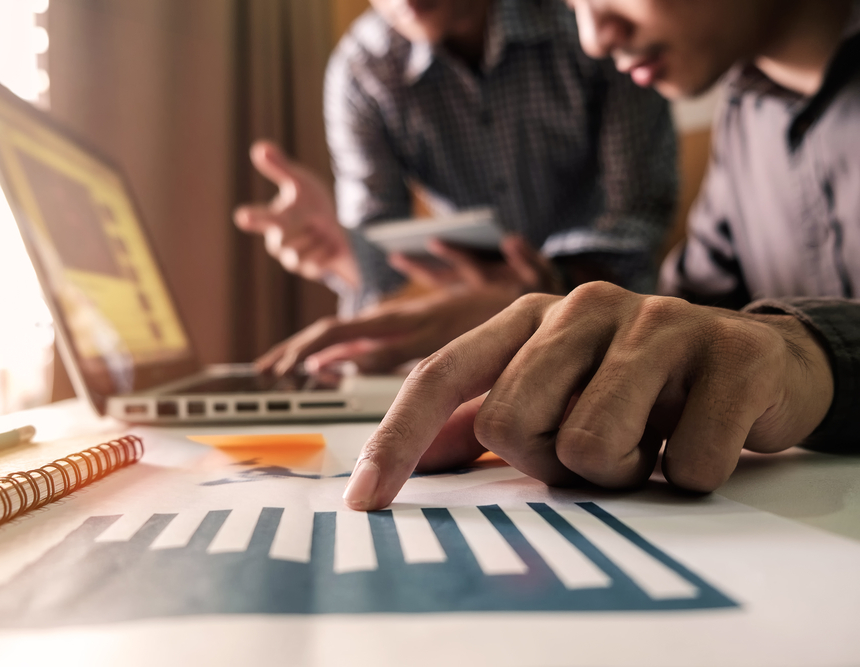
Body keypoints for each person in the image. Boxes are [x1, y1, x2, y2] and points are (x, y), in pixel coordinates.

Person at [341, 0, 860, 511]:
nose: (594, 38)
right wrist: (603, 358)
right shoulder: (746, 108)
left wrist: (813, 359)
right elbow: (693, 309)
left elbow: (760, 345)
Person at [234, 0, 677, 375]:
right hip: (476, 331)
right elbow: (383, 274)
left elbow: (632, 224)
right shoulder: (363, 70)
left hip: (620, 330)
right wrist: (343, 253)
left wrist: (547, 288)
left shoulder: (592, 24)